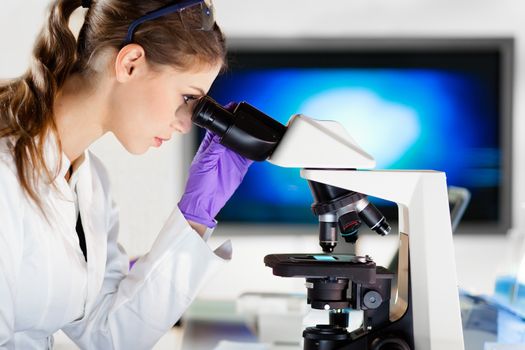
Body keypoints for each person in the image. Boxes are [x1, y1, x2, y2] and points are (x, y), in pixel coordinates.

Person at [0, 0, 252, 349]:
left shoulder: (90, 183)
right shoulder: (5, 177)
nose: (184, 124)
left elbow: (110, 335)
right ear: (130, 63)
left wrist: (196, 214)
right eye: (187, 97)